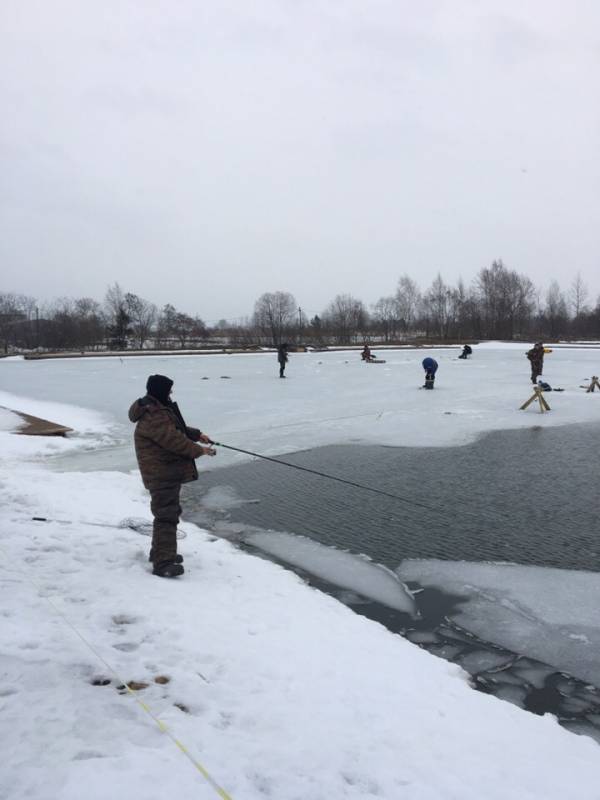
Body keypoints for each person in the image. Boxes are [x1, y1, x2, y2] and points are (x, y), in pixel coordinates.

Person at [128, 374, 215, 578]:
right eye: (169, 390)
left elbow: (174, 428)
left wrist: (196, 434)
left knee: (168, 514)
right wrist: (199, 450)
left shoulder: (155, 408)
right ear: (160, 391)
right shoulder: (153, 415)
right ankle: (163, 563)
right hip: (161, 473)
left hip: (164, 471)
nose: (171, 393)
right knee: (166, 515)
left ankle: (160, 552)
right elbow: (173, 440)